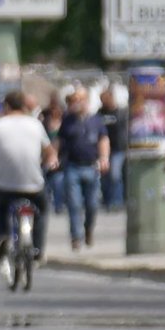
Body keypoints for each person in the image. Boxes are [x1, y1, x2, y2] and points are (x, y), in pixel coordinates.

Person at [0, 90, 57, 260]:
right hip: (33, 185)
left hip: (7, 187)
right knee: (43, 209)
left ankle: (3, 236)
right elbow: (50, 151)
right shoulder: (35, 125)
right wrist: (50, 161)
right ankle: (38, 249)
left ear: (6, 106)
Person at [57, 88, 109, 249]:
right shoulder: (68, 120)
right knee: (74, 203)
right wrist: (53, 156)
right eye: (73, 100)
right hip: (72, 166)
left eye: (79, 99)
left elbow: (103, 139)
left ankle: (88, 229)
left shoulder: (96, 120)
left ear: (86, 100)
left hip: (91, 166)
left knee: (92, 204)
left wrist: (104, 158)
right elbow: (59, 140)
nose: (76, 103)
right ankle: (76, 237)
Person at [98, 87, 127, 209]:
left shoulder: (120, 112)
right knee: (104, 177)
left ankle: (117, 201)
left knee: (115, 175)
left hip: (117, 149)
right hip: (104, 149)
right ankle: (107, 200)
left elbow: (124, 131)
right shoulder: (99, 113)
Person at [39, 94, 66, 213]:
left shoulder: (65, 123)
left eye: (57, 109)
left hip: (61, 158)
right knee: (45, 183)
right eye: (53, 109)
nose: (55, 111)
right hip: (46, 158)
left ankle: (58, 206)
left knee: (58, 182)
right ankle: (45, 205)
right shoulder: (44, 123)